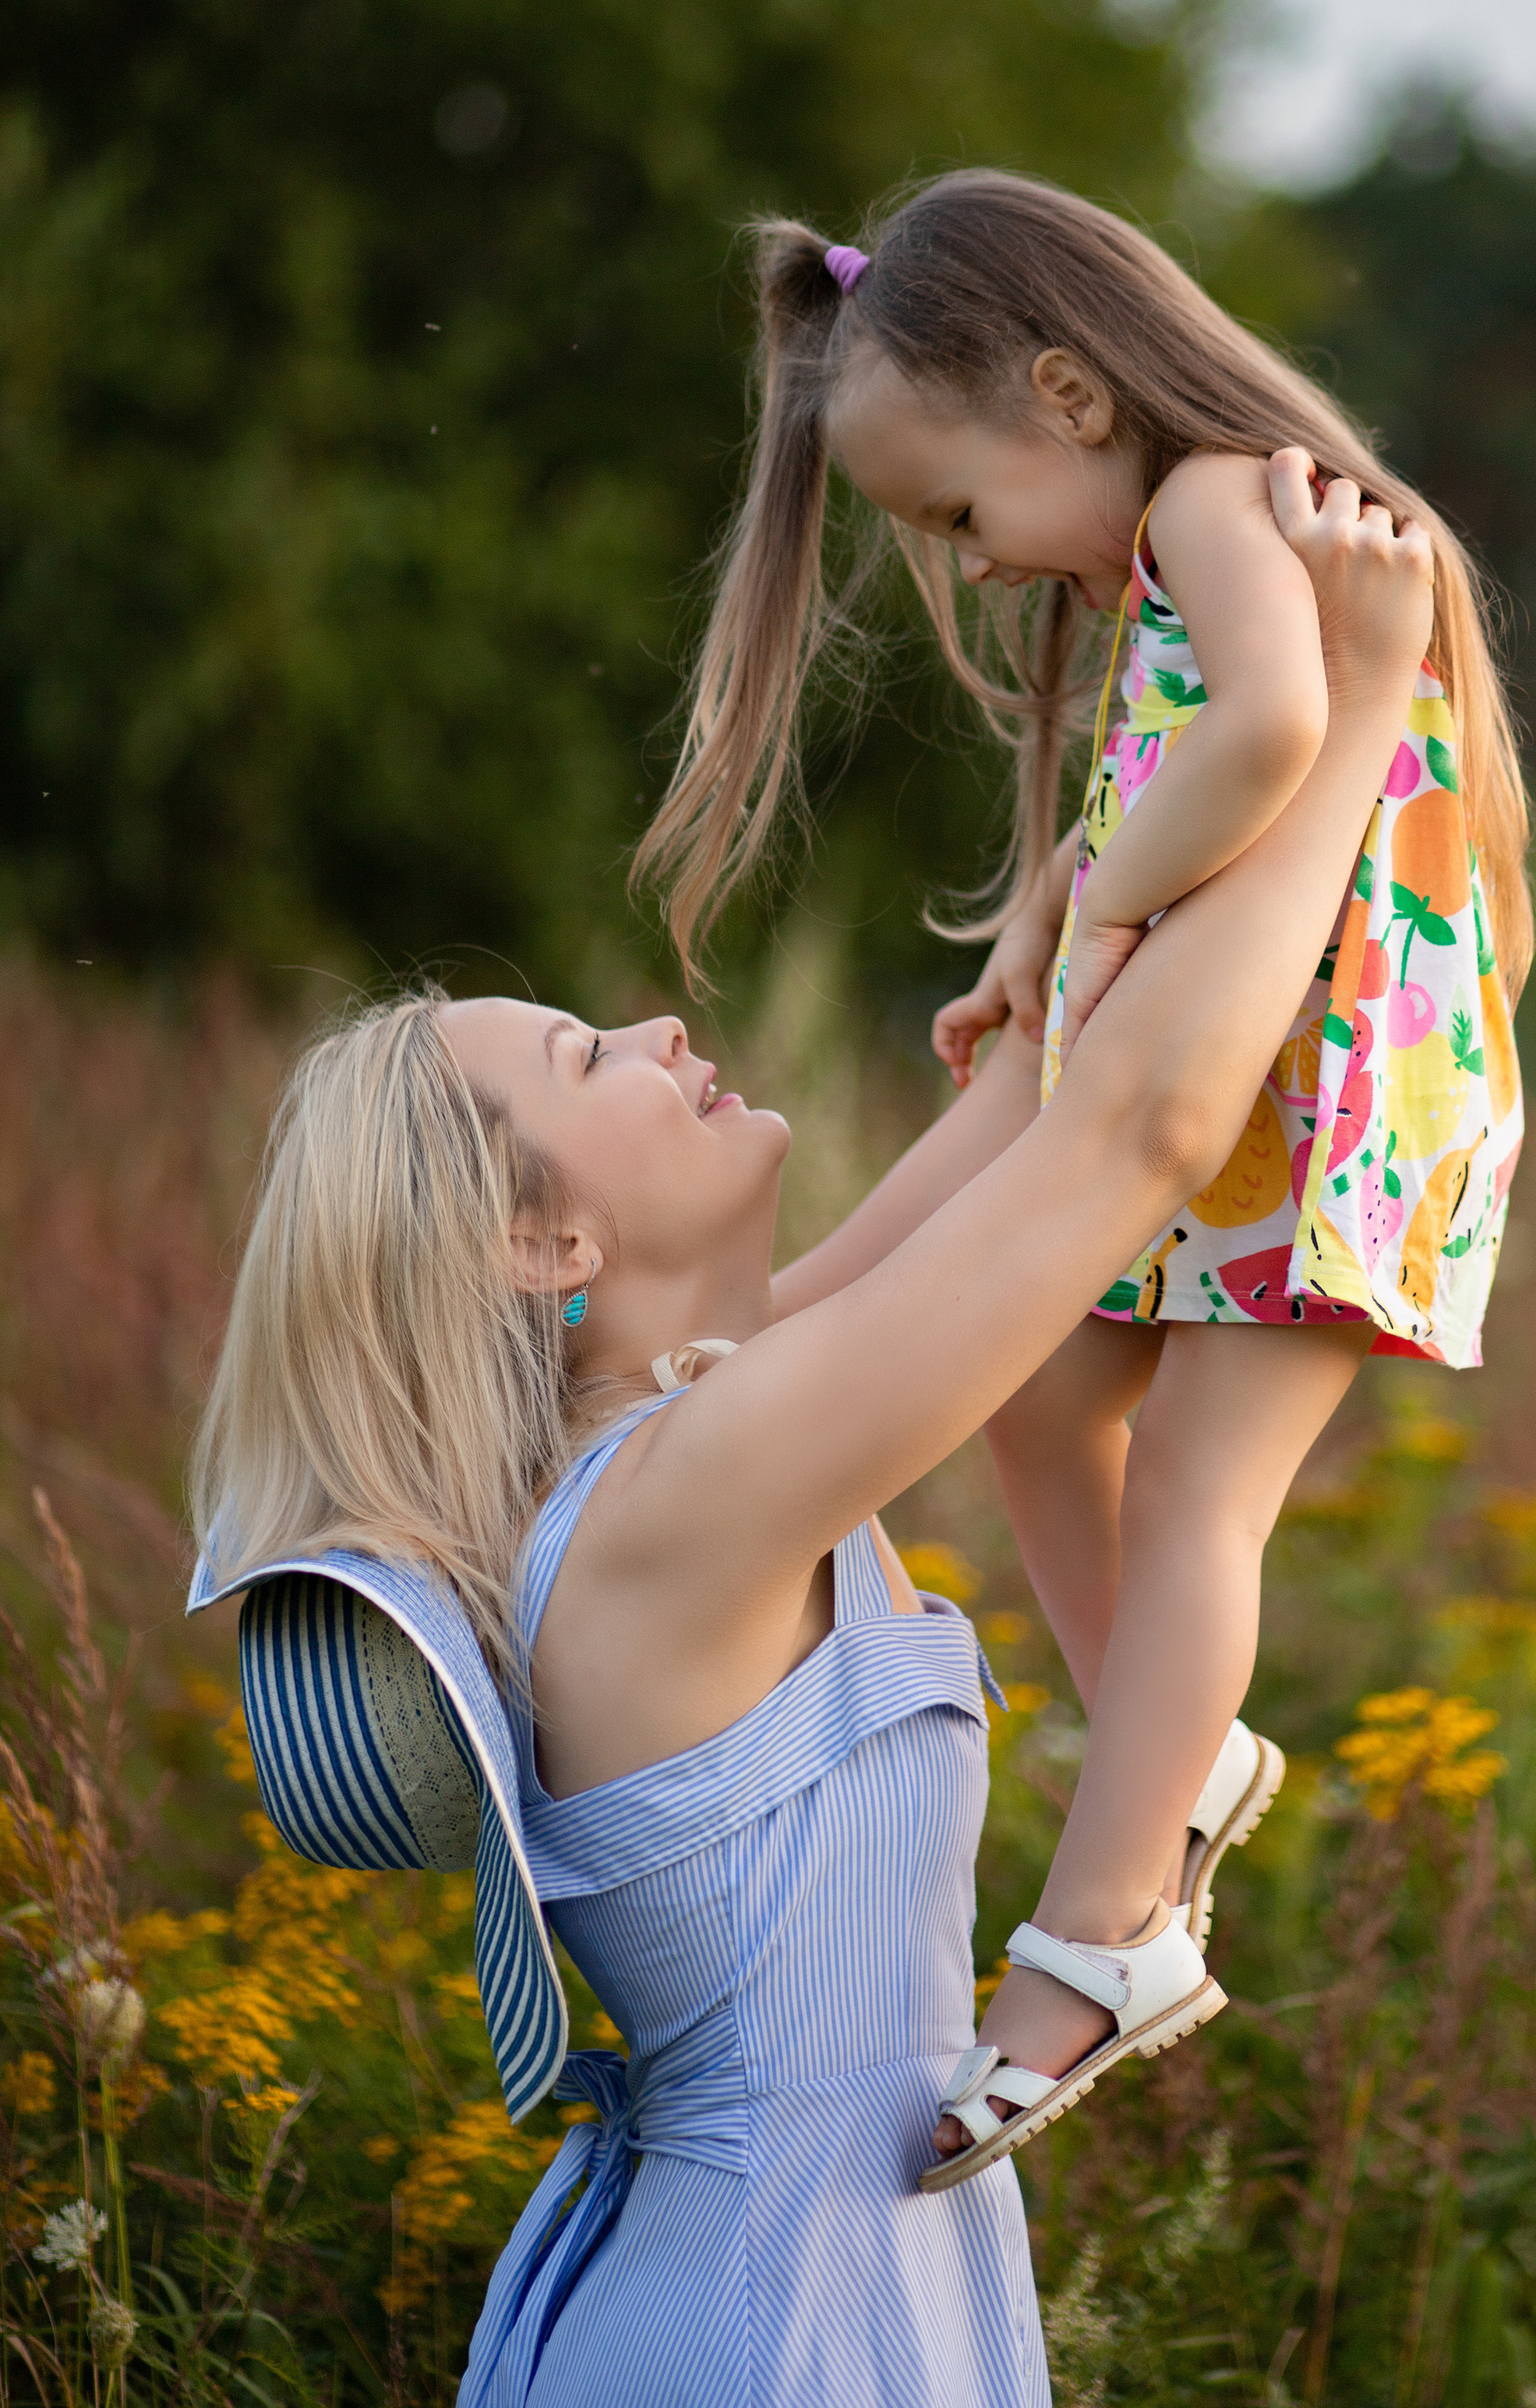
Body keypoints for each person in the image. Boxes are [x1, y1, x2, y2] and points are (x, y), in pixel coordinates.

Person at [189, 464, 1435, 2405]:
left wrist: (1084, 892)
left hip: (795, 2269)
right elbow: (1138, 1132)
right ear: (544, 1244)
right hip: (771, 2318)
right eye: (587, 1056)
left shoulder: (703, 1425)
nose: (659, 1032)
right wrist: (1351, 715)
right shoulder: (688, 1494)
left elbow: (1041, 1112)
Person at [635, 172, 1528, 2180]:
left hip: (1325, 1074)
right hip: (1251, 1047)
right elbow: (1192, 755)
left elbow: (1279, 728)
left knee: (1205, 1483)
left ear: (1062, 392)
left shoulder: (1214, 493)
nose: (968, 564)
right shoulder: (1169, 547)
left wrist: (1098, 909)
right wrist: (1057, 902)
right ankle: (1167, 1755)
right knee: (1043, 1396)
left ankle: (1103, 1936)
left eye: (957, 514)